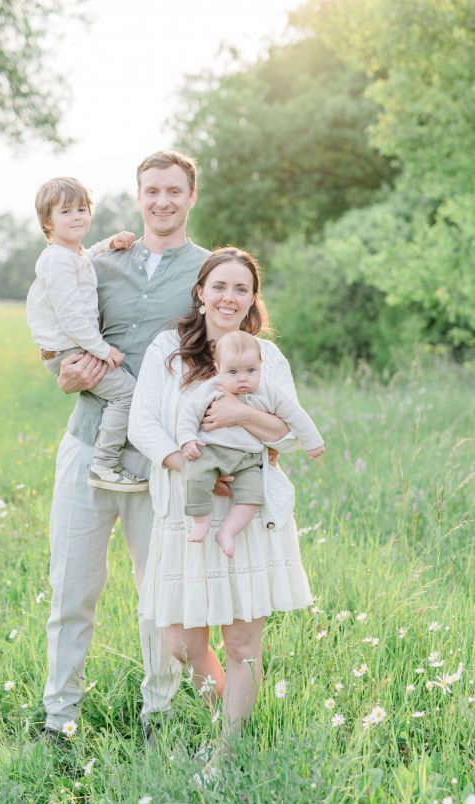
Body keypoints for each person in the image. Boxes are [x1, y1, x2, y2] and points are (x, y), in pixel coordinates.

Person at [128, 247, 318, 762]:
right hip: (187, 508)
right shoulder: (169, 350)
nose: (229, 297)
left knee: (241, 644)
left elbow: (288, 432)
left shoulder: (266, 356)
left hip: (244, 512)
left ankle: (227, 755)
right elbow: (143, 424)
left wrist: (239, 413)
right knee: (182, 643)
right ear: (200, 292)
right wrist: (190, 468)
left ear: (253, 298)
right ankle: (224, 718)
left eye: (241, 289)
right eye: (220, 286)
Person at [42, 151, 208, 738]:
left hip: (158, 458)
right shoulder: (97, 262)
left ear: (191, 196)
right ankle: (58, 717)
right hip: (87, 444)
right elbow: (58, 331)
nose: (162, 201)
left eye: (173, 191)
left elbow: (226, 352)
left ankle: (158, 713)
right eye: (152, 191)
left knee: (158, 595)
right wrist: (62, 372)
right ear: (138, 197)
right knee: (71, 591)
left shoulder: (206, 271)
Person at [26, 176, 146, 491]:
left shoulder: (71, 255)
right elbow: (71, 318)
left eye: (82, 209)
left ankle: (106, 458)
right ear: (47, 222)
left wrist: (109, 244)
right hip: (69, 350)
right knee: (126, 392)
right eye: (66, 211)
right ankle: (105, 464)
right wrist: (103, 350)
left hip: (72, 346)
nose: (77, 216)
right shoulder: (56, 260)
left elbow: (86, 256)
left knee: (119, 391)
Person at [177, 329, 324, 555]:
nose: (242, 378)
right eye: (233, 372)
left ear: (260, 365)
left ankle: (227, 531)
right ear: (218, 368)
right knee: (195, 478)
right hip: (211, 451)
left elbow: (296, 415)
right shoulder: (212, 388)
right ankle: (201, 522)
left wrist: (312, 442)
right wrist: (187, 439)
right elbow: (189, 414)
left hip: (248, 458)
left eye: (250, 370)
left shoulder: (269, 393)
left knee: (253, 497)